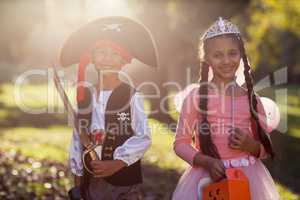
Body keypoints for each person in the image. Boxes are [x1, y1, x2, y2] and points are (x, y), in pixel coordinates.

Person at [172, 17, 280, 200]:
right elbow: (180, 144)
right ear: (206, 59)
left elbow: (266, 149)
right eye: (218, 55)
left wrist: (251, 145)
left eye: (232, 53)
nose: (226, 60)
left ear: (241, 55)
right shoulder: (196, 98)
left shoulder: (252, 100)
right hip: (207, 176)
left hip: (248, 178)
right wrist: (206, 161)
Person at [60, 16, 159, 200]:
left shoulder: (131, 96)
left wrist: (118, 162)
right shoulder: (84, 96)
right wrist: (78, 176)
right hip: (92, 182)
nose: (107, 59)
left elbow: (143, 136)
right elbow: (77, 138)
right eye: (101, 52)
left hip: (123, 183)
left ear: (124, 61)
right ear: (92, 58)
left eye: (115, 54)